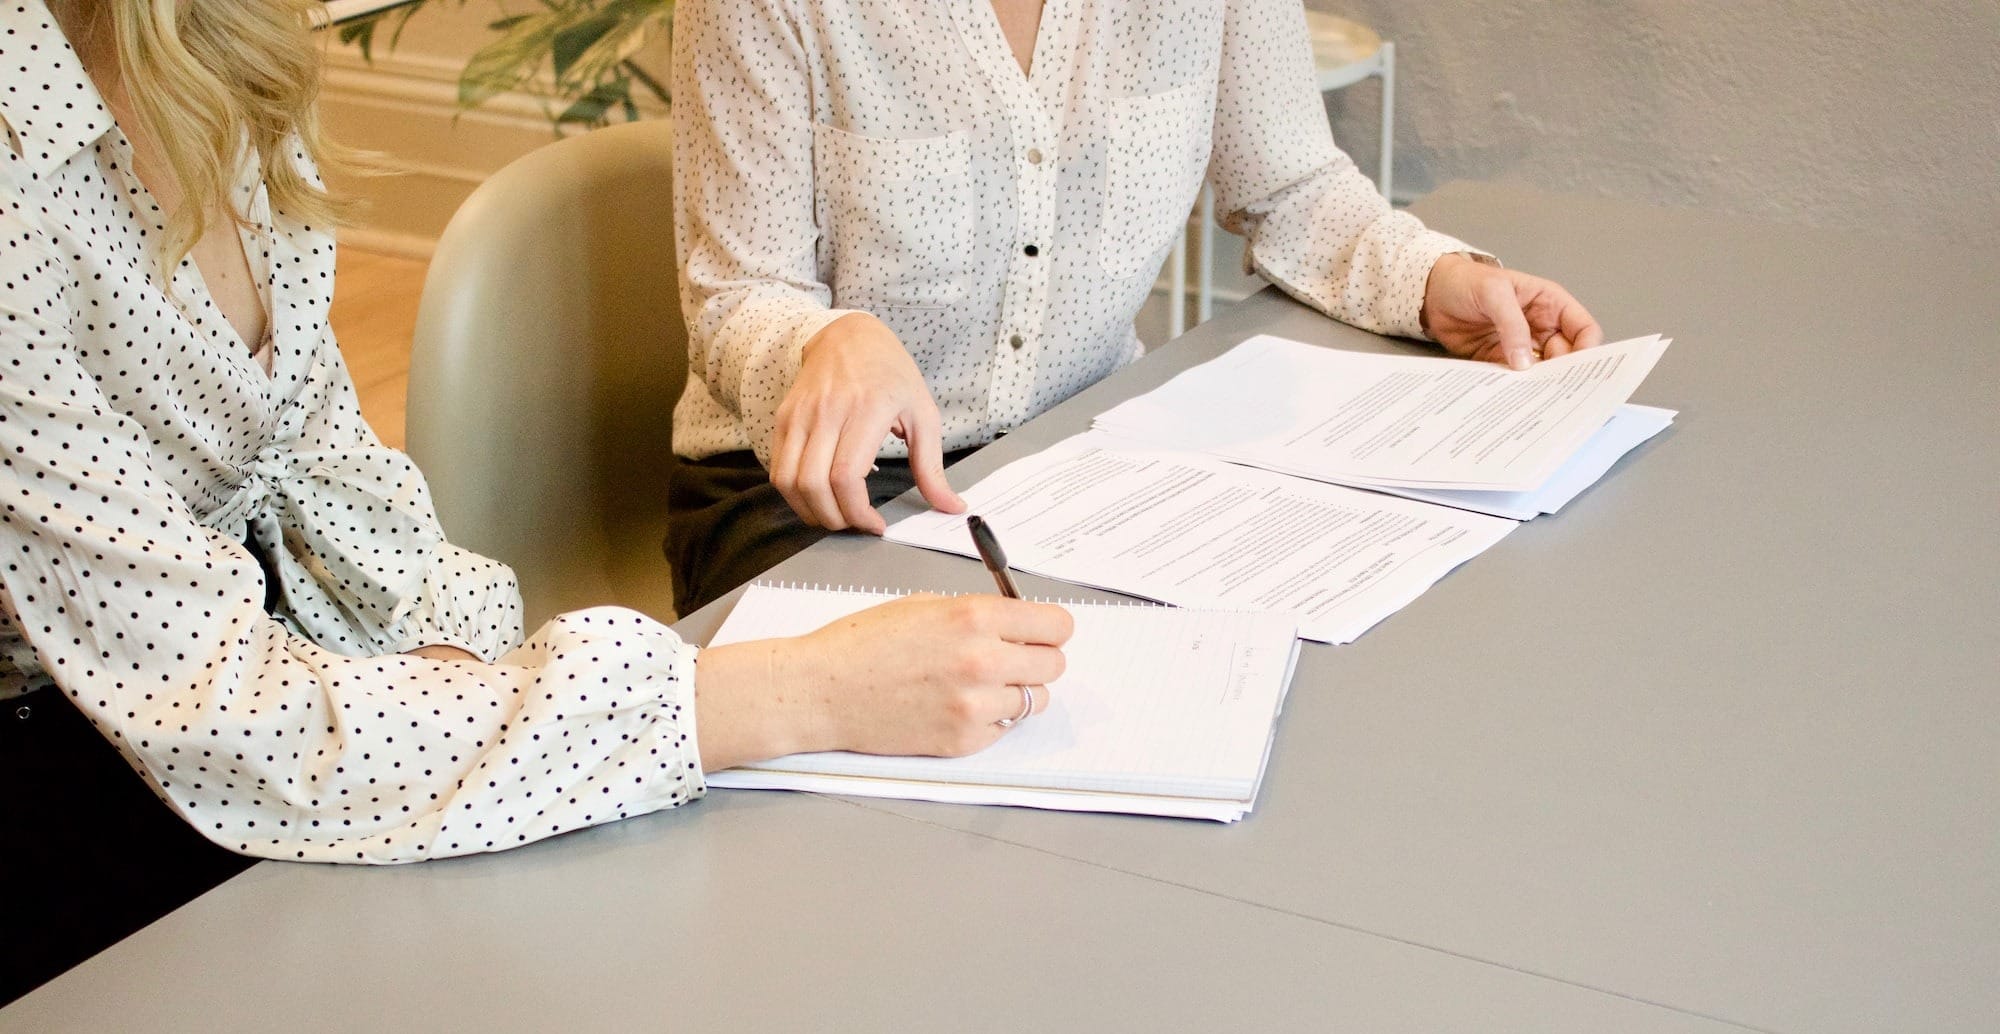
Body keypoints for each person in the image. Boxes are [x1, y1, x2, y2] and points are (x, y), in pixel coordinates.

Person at [0, 0, 1071, 1005]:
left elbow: (324, 467)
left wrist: (452, 661)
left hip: (261, 687)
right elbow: (228, 716)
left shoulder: (218, 50)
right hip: (79, 782)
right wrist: (793, 692)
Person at [667, 0, 1607, 614]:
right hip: (810, 495)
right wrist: (827, 340)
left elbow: (1290, 184)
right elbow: (737, 292)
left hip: (1075, 464)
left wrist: (1435, 279)